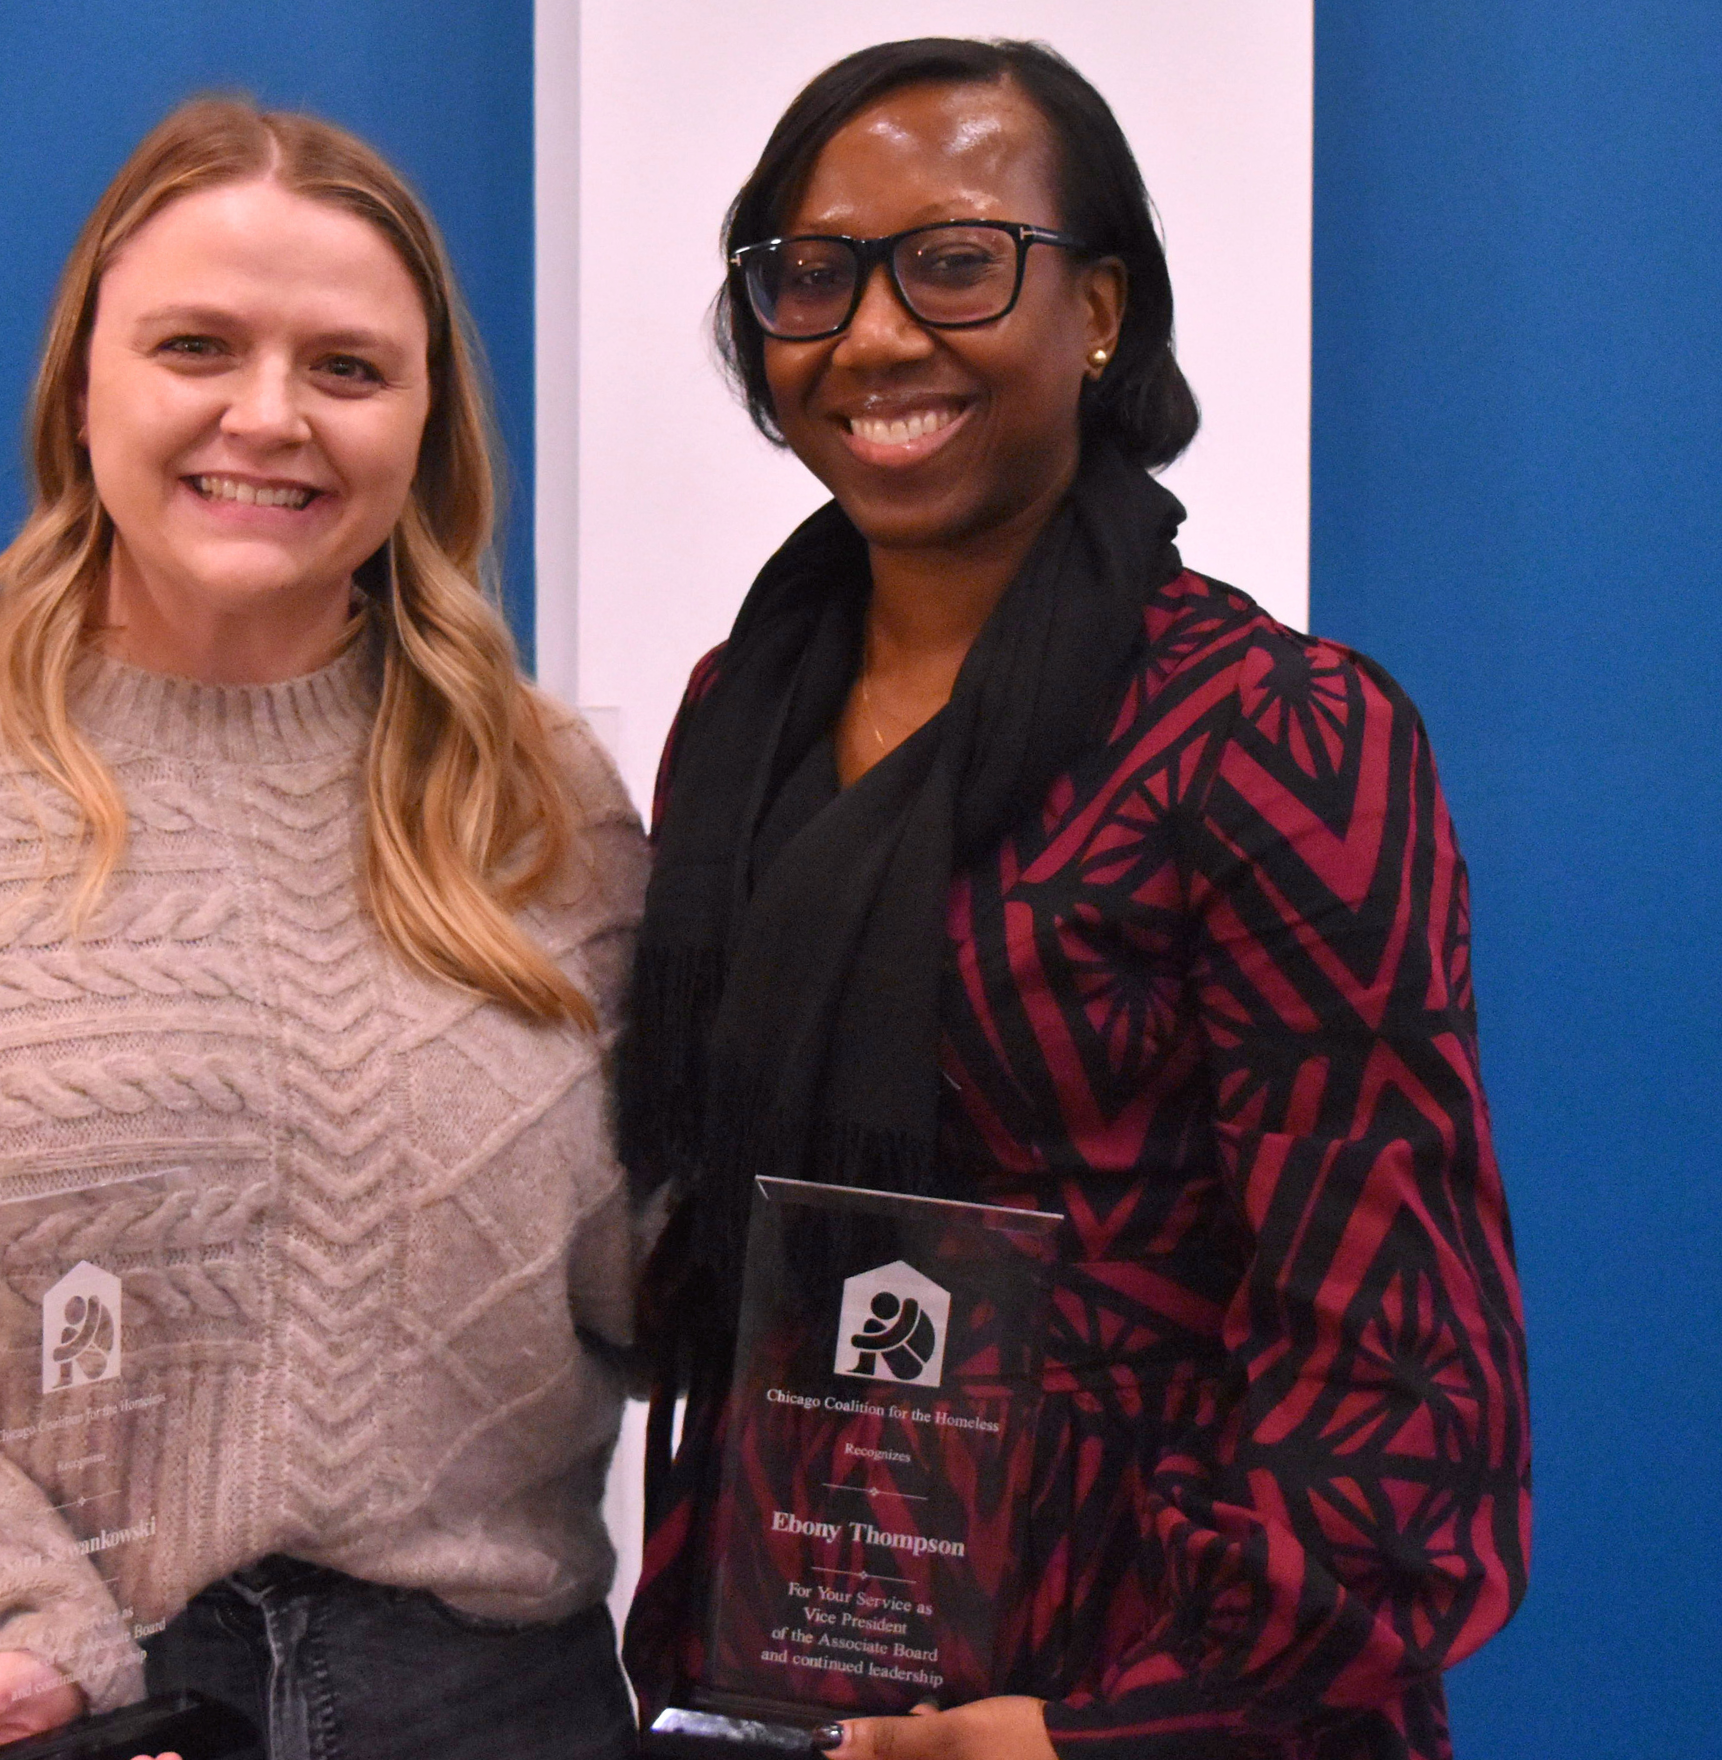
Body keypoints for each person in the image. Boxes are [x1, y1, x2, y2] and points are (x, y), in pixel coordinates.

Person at [0, 98, 648, 1760]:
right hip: (39, 1715)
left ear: (427, 425)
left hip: (496, 1713)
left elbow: (673, 1266)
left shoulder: (542, 802)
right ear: (86, 385)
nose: (270, 416)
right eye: (197, 346)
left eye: (349, 369)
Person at [618, 38, 1529, 1760]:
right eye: (810, 275)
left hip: (1146, 1704)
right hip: (793, 1671)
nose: (875, 333)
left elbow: (1404, 1371)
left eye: (956, 261)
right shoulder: (738, 722)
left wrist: (1082, 1733)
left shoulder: (1274, 735)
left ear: (1099, 308)